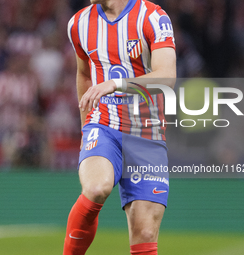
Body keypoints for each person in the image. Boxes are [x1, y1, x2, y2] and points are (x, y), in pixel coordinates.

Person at [64, 0, 176, 254]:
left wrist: (116, 84)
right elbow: (83, 74)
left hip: (147, 132)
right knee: (96, 188)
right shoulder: (78, 24)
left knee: (145, 233)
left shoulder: (153, 17)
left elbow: (167, 76)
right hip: (103, 124)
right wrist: (85, 128)